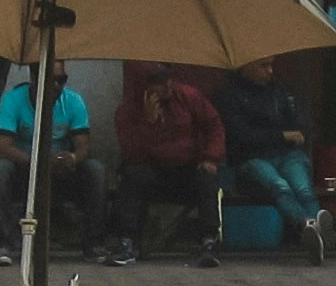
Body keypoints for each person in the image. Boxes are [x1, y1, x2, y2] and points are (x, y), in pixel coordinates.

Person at [0, 63, 100, 265]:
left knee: (95, 169)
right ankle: (3, 245)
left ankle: (94, 243)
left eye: (61, 80)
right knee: (0, 169)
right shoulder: (13, 100)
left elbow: (84, 146)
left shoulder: (73, 101)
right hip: (24, 168)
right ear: (34, 78)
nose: (56, 85)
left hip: (60, 170)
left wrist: (71, 158)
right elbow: (1, 148)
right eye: (50, 79)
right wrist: (37, 162)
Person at [110, 62, 227, 267]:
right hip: (152, 169)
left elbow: (214, 125)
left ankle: (209, 242)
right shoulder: (128, 111)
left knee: (207, 180)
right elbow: (131, 154)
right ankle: (127, 242)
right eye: (158, 83)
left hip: (188, 166)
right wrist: (149, 123)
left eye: (167, 80)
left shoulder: (188, 96)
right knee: (132, 179)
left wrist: (211, 157)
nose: (167, 86)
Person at [217, 57, 322, 256]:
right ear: (245, 66)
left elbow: (295, 126)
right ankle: (308, 225)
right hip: (251, 159)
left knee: (304, 189)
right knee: (280, 187)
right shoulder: (228, 97)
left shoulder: (278, 92)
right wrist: (281, 136)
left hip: (286, 154)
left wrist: (293, 135)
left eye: (271, 65)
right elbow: (241, 136)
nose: (270, 71)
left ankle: (317, 232)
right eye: (263, 66)